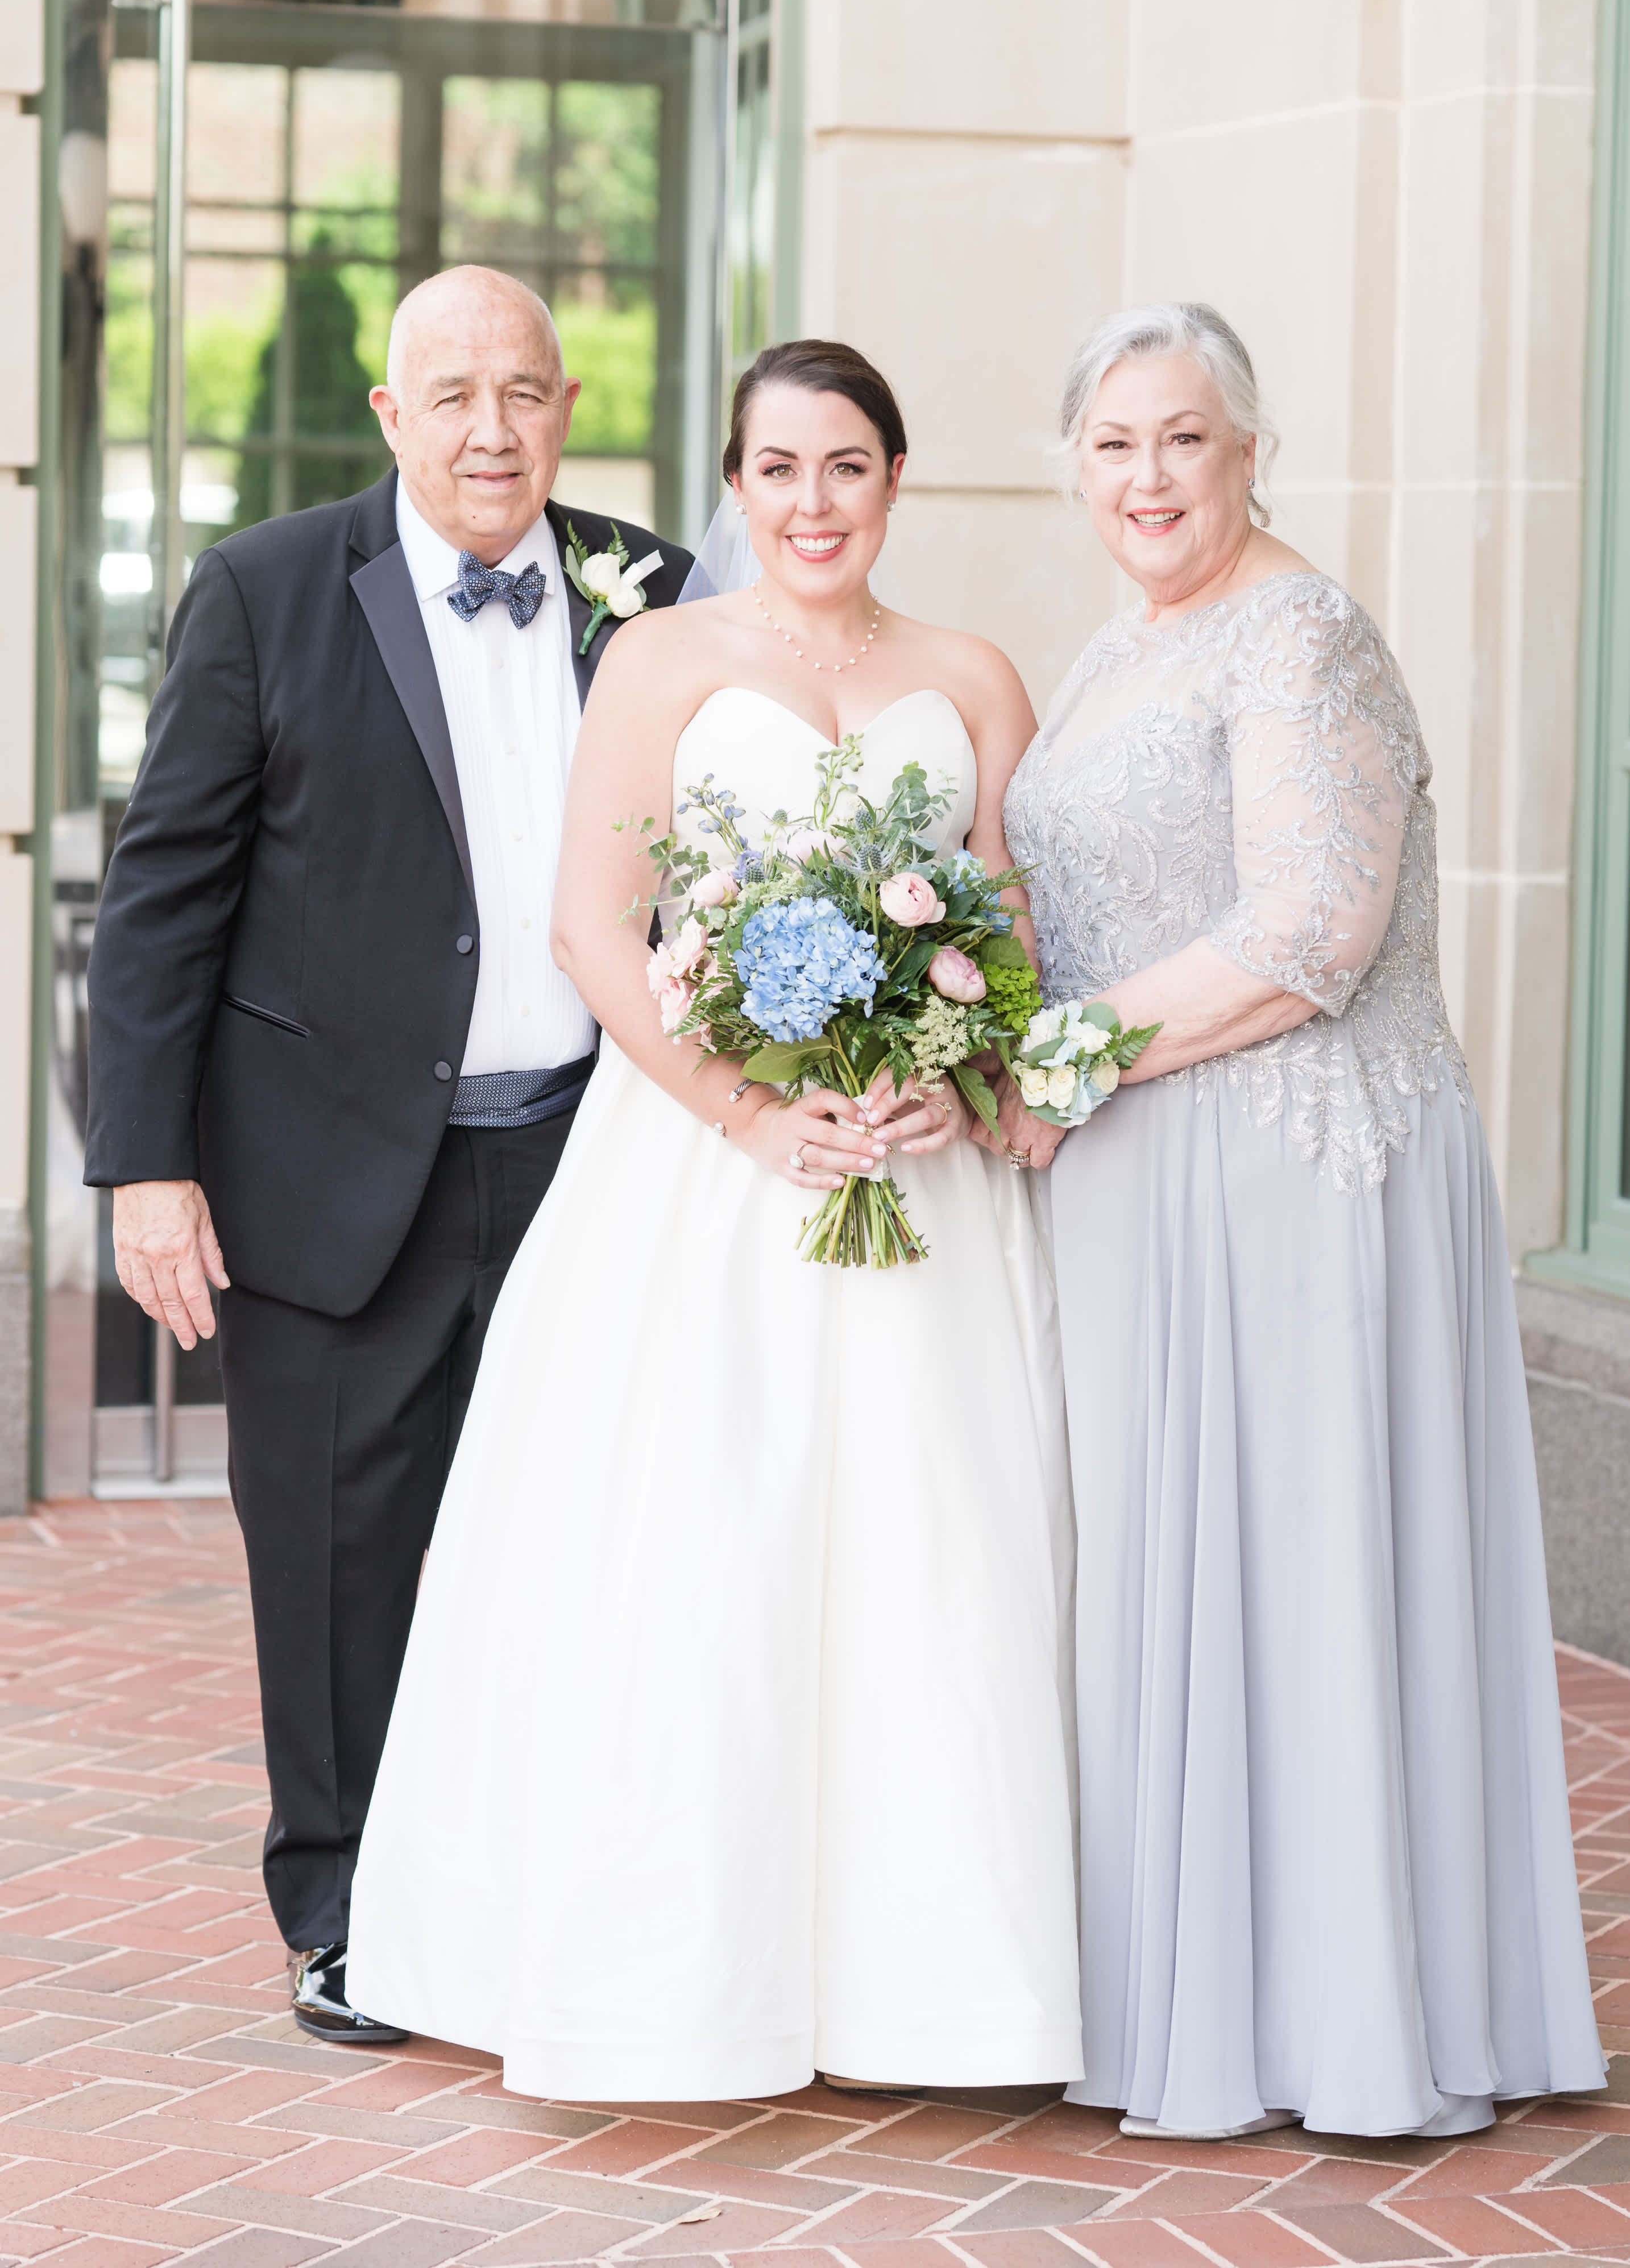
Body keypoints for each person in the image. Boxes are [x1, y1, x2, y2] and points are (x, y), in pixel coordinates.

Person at [344, 339, 1084, 2100]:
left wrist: (955, 1074)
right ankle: (675, 1968)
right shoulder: (661, 658)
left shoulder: (973, 676)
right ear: (736, 486)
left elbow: (1009, 937)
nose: (812, 502)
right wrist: (753, 1112)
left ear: (892, 479)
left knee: (930, 1547)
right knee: (700, 1537)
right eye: (778, 468)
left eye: (846, 466)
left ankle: (929, 1988)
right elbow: (595, 927)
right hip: (702, 1167)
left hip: (917, 1174)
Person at [1000, 300, 1605, 2140]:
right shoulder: (1120, 644)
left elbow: (1307, 932)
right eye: (1113, 443)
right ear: (1072, 468)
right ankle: (1178, 1989)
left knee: (1300, 1569)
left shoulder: (1300, 631)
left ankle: (1333, 2017)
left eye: (1183, 437)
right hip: (1140, 1172)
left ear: (1250, 453)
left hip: (1290, 1173)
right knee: (1169, 1573)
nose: (1147, 476)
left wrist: (1057, 1059)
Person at [83, 266, 692, 2043]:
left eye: (525, 392)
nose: (492, 430)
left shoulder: (652, 592)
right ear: (392, 415)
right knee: (339, 1556)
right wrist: (145, 1162)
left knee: (577, 1539)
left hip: (589, 1160)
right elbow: (163, 894)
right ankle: (341, 1906)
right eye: (454, 396)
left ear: (565, 405)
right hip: (330, 1169)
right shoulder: (265, 589)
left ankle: (545, 1888)